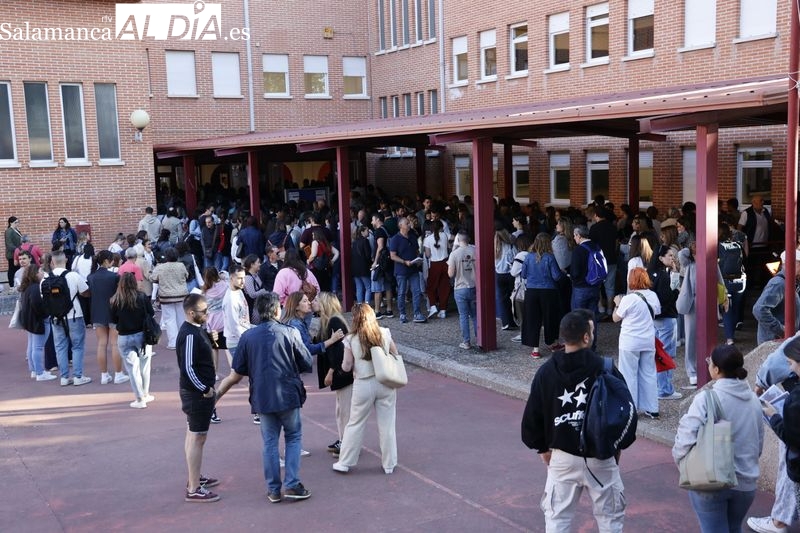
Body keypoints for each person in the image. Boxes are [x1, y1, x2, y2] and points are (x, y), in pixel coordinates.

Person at [521, 309, 627, 532]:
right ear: (586, 337)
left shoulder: (547, 372)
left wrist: (542, 449)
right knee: (610, 519)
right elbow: (624, 412)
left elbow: (532, 418)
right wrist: (617, 446)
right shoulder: (606, 368)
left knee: (557, 519)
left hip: (561, 455)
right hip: (601, 454)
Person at [216, 292, 313, 503]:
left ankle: (273, 489)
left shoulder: (248, 337)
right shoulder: (290, 332)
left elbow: (238, 370)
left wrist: (217, 396)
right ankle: (292, 483)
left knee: (270, 442)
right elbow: (306, 362)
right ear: (277, 309)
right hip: (288, 393)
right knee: (293, 437)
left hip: (262, 395)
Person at [672, 344, 763, 532]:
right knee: (734, 528)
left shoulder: (706, 398)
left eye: (709, 362)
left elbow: (686, 434)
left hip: (710, 479)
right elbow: (759, 442)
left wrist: (681, 460)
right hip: (745, 482)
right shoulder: (754, 400)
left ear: (717, 369)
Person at [332, 303, 400, 475]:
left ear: (355, 318)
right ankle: (389, 464)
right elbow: (395, 353)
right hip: (385, 381)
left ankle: (345, 462)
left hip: (363, 383)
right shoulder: (384, 332)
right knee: (387, 425)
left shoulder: (351, 339)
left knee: (355, 423)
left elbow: (347, 366)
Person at [748, 334, 800, 533]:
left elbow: (791, 438)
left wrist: (774, 416)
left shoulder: (796, 399)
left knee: (790, 463)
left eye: (791, 363)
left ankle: (779, 521)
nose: (790, 366)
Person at [176, 294, 221, 503]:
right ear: (191, 313)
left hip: (196, 392)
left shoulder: (197, 330)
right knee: (197, 437)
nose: (207, 314)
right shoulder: (190, 334)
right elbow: (187, 368)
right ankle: (193, 487)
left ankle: (194, 478)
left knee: (193, 435)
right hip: (196, 394)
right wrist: (205, 389)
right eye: (204, 311)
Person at [612, 267, 661, 419]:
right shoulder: (653, 295)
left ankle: (630, 408)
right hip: (647, 339)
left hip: (630, 341)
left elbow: (615, 318)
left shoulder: (628, 299)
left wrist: (617, 303)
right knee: (649, 373)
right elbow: (657, 312)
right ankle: (652, 408)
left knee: (628, 375)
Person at [45, 250, 91, 386]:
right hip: (74, 315)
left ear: (52, 262)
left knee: (60, 347)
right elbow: (86, 292)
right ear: (65, 260)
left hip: (55, 317)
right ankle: (78, 376)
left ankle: (64, 377)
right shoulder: (73, 276)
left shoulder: (46, 278)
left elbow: (44, 298)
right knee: (77, 346)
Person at [110, 273, 156, 408]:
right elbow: (151, 313)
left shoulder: (115, 300)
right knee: (144, 365)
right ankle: (146, 393)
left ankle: (139, 398)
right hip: (142, 335)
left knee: (132, 369)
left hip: (124, 336)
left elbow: (113, 320)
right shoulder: (141, 297)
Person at [317, 292, 354, 458]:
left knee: (345, 410)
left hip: (342, 372)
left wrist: (331, 371)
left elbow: (340, 350)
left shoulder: (334, 321)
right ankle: (343, 440)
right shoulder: (329, 321)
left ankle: (348, 444)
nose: (313, 302)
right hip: (341, 372)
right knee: (341, 410)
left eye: (317, 300)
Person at [87, 250, 128, 386]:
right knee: (115, 343)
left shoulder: (91, 277)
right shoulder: (114, 276)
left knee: (101, 344)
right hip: (113, 312)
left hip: (97, 313)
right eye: (111, 260)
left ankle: (104, 375)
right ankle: (118, 374)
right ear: (106, 261)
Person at [521, 232, 564, 357]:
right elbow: (556, 277)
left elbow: (523, 275)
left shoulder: (528, 257)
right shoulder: (550, 257)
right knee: (550, 318)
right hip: (548, 291)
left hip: (532, 291)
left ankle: (535, 350)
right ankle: (552, 344)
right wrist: (561, 272)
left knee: (533, 319)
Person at [648, 245, 682, 400]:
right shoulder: (663, 275)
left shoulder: (654, 274)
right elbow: (668, 296)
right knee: (666, 354)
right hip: (666, 317)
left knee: (658, 353)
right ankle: (665, 389)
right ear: (661, 258)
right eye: (669, 255)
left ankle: (659, 386)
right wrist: (676, 290)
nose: (672, 258)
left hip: (656, 318)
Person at [754, 249, 800, 345]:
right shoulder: (779, 283)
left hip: (779, 342)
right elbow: (759, 310)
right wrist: (782, 330)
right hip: (774, 343)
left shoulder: (788, 283)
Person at [19, 265, 56, 381]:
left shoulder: (26, 288)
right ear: (35, 274)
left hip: (30, 320)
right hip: (38, 320)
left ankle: (35, 370)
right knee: (38, 347)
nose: (42, 272)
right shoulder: (35, 287)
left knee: (32, 346)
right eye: (40, 271)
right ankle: (40, 372)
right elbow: (37, 304)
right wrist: (46, 314)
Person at [201, 267, 229, 424]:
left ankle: (215, 372)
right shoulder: (224, 285)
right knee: (228, 349)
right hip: (224, 322)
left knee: (214, 349)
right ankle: (234, 368)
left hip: (211, 324)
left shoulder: (205, 291)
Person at [570, 225, 602, 349]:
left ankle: (580, 347)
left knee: (578, 318)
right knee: (592, 318)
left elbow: (575, 272)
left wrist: (572, 277)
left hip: (581, 288)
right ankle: (592, 346)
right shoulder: (596, 247)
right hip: (595, 286)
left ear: (579, 235)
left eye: (574, 235)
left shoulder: (578, 250)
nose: (574, 238)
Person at [150, 248, 189, 350]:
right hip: (181, 295)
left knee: (170, 320)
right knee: (181, 318)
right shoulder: (181, 265)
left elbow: (153, 278)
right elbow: (187, 275)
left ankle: (173, 342)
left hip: (166, 296)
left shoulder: (160, 267)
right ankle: (183, 340)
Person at [390, 216, 426, 324]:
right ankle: (402, 313)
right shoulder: (395, 239)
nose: (409, 225)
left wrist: (418, 260)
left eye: (409, 223)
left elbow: (416, 251)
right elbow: (392, 256)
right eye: (407, 223)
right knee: (401, 292)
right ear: (400, 226)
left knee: (416, 291)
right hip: (401, 270)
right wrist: (404, 262)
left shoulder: (412, 236)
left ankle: (417, 313)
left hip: (413, 269)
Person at [447, 231, 477, 349]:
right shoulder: (475, 250)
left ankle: (466, 342)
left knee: (463, 316)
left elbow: (450, 274)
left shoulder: (454, 254)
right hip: (474, 286)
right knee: (475, 315)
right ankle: (480, 339)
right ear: (468, 239)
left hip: (460, 287)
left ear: (458, 240)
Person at [423, 219, 450, 319]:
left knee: (431, 287)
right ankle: (443, 310)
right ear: (441, 228)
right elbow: (448, 247)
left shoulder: (427, 239)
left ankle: (433, 306)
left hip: (434, 264)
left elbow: (427, 254)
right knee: (444, 287)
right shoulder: (445, 236)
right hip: (445, 263)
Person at [242, 254, 269, 324]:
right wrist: (263, 291)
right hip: (254, 309)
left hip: (259, 305)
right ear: (252, 265)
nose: (260, 264)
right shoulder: (248, 278)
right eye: (258, 262)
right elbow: (252, 294)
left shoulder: (256, 275)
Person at [351, 225, 373, 304]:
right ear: (362, 232)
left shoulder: (354, 242)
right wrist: (371, 262)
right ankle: (367, 306)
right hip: (364, 267)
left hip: (355, 268)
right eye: (367, 230)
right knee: (368, 287)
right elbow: (368, 255)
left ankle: (359, 305)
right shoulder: (365, 241)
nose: (368, 232)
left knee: (359, 287)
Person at [5, 216, 22, 288]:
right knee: (12, 270)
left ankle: (17, 284)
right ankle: (11, 285)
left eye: (18, 222)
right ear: (10, 223)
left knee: (17, 269)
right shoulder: (9, 231)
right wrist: (18, 250)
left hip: (18, 253)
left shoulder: (16, 230)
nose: (17, 224)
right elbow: (9, 244)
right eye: (16, 222)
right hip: (12, 254)